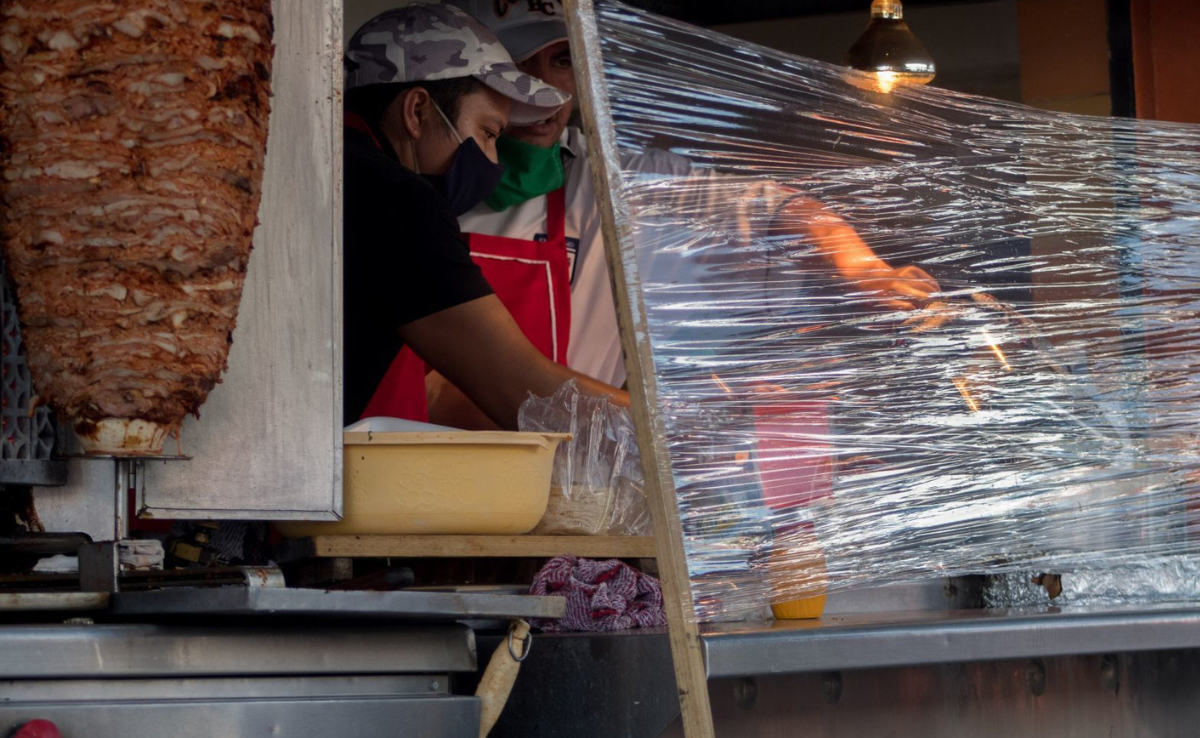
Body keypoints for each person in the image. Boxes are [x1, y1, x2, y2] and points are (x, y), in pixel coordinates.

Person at [427, 0, 941, 429]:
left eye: (563, 60)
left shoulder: (611, 181)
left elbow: (778, 208)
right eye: (518, 65)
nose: (544, 92)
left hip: (570, 478)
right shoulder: (419, 191)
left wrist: (870, 275)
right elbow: (438, 387)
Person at [342, 3, 627, 429]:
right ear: (417, 111)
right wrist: (674, 430)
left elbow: (434, 389)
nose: (492, 161)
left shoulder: (337, 172)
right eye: (488, 134)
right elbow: (519, 387)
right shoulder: (398, 202)